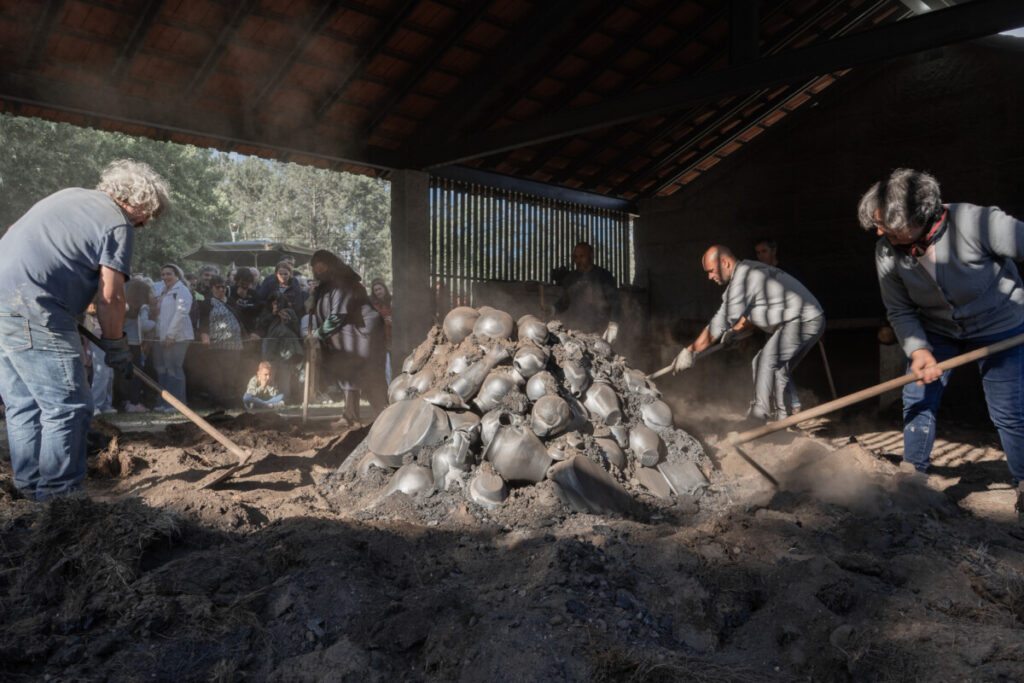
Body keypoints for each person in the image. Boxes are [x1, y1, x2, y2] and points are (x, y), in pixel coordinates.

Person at [858, 168, 1024, 516]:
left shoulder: (979, 223)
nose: (878, 231)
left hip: (1001, 324)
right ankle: (912, 474)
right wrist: (918, 350)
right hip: (938, 329)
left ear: (919, 218)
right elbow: (899, 309)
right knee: (918, 394)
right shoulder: (887, 251)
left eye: (885, 224)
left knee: (1008, 410)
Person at [0, 159, 169, 501]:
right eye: (147, 217)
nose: (145, 224)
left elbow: (14, 232)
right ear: (139, 204)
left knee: (24, 403)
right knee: (69, 405)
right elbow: (111, 298)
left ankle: (31, 487)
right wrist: (116, 345)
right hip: (36, 305)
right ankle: (60, 497)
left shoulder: (68, 196)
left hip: (5, 299)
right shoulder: (116, 223)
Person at [673, 245, 824, 423]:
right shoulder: (749, 271)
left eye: (711, 271)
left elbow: (719, 322)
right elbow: (755, 312)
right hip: (806, 319)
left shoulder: (743, 279)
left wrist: (691, 351)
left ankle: (759, 416)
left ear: (724, 262)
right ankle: (785, 420)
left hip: (803, 320)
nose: (709, 276)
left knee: (766, 361)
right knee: (772, 366)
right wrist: (735, 332)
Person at [309, 249, 385, 428]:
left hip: (363, 333)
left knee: (367, 372)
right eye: (316, 269)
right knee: (347, 372)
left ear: (331, 266)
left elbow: (337, 316)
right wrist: (312, 300)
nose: (319, 272)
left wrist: (317, 334)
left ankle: (382, 416)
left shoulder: (343, 283)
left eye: (322, 268)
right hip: (346, 334)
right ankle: (351, 416)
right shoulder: (325, 286)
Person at [753, 236, 805, 414]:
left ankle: (794, 405)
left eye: (764, 251)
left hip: (791, 325)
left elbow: (803, 297)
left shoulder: (787, 272)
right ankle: (785, 406)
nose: (761, 256)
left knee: (779, 366)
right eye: (758, 253)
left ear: (774, 251)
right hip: (772, 327)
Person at [553, 241, 621, 344]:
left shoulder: (603, 276)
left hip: (598, 330)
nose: (578, 260)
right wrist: (553, 309)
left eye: (581, 256)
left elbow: (615, 301)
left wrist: (614, 324)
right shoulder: (570, 278)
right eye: (575, 257)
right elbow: (564, 302)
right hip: (575, 330)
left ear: (591, 255)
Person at [197, 275, 245, 407]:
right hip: (216, 345)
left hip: (234, 344)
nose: (221, 290)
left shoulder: (231, 301)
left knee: (231, 373)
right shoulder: (207, 303)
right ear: (212, 288)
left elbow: (240, 319)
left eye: (224, 287)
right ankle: (217, 402)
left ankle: (230, 401)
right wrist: (203, 333)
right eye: (218, 287)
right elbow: (202, 320)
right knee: (216, 375)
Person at [153, 263, 194, 411]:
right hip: (161, 337)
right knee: (162, 369)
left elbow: (181, 313)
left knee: (174, 368)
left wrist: (171, 335)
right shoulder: (161, 291)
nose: (165, 277)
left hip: (178, 337)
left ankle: (177, 403)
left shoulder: (182, 290)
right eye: (163, 274)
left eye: (168, 274)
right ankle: (164, 403)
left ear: (177, 275)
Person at [119, 277, 156, 413]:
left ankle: (126, 400)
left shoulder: (126, 306)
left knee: (126, 374)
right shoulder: (143, 307)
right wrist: (155, 325)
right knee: (137, 373)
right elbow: (145, 325)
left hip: (124, 341)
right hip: (135, 343)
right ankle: (134, 402)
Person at [369, 278, 393, 384]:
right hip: (377, 340)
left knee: (390, 367)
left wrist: (392, 320)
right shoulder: (371, 304)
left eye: (380, 289)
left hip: (391, 338)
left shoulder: (392, 301)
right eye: (376, 290)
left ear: (385, 289)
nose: (378, 292)